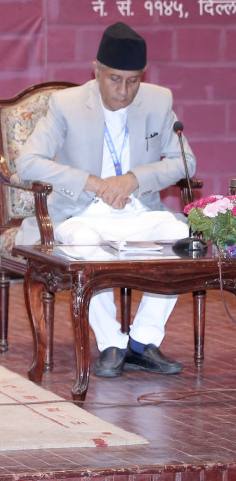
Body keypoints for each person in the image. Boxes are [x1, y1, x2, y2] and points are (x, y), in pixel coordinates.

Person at [15, 22, 194, 378]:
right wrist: (93, 183)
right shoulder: (66, 104)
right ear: (96, 70)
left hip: (137, 210)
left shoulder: (159, 101)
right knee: (83, 244)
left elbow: (184, 162)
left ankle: (143, 340)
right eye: (114, 79)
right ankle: (111, 342)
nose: (124, 91)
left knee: (180, 238)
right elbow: (28, 162)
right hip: (81, 213)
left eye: (133, 80)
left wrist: (134, 179)